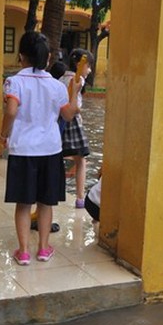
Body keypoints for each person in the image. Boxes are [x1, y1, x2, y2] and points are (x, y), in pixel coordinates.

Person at [0, 31, 80, 265]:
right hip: (50, 150)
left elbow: (11, 110)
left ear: (21, 56)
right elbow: (68, 114)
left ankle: (23, 251)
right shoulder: (55, 86)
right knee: (46, 202)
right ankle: (44, 249)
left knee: (23, 203)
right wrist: (74, 92)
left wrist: (4, 133)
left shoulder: (14, 82)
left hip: (23, 150)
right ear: (47, 58)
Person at [59, 48, 93, 208]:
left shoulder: (61, 78)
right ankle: (80, 198)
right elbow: (76, 106)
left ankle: (57, 191)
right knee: (81, 160)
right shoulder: (78, 79)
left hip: (59, 122)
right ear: (81, 65)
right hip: (73, 123)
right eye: (88, 66)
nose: (90, 70)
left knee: (59, 157)